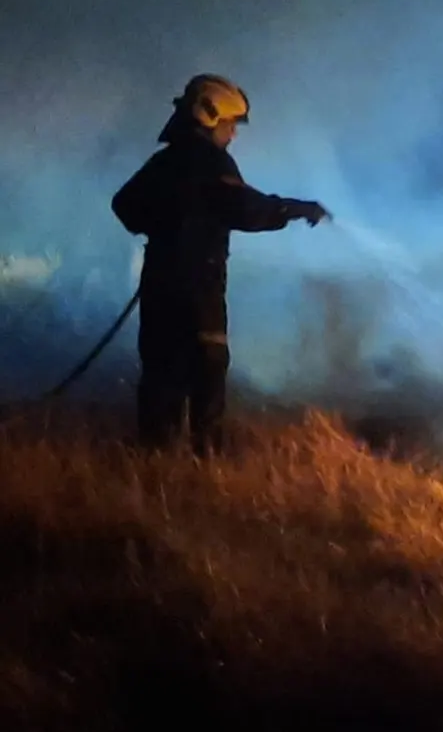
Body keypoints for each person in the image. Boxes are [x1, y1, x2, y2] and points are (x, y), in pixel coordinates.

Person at [111, 73, 331, 456]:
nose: (233, 134)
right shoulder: (212, 162)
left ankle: (154, 460)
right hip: (198, 287)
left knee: (161, 373)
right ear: (209, 117)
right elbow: (245, 209)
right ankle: (206, 461)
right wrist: (296, 209)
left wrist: (163, 223)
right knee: (207, 370)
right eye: (230, 124)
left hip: (159, 283)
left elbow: (125, 205)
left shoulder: (163, 162)